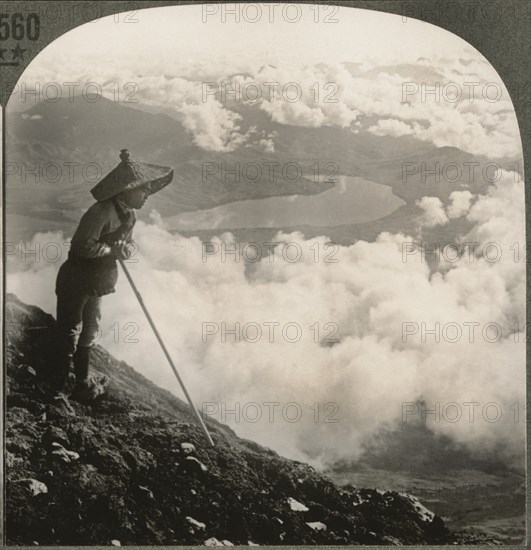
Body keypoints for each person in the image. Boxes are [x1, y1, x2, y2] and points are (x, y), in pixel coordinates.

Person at [51, 149, 173, 402]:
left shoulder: (130, 215)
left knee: (90, 330)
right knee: (69, 331)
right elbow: (80, 245)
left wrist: (124, 249)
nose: (146, 195)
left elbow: (128, 243)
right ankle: (55, 389)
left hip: (97, 282)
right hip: (76, 280)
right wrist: (110, 250)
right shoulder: (101, 212)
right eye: (143, 189)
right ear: (127, 189)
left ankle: (81, 385)